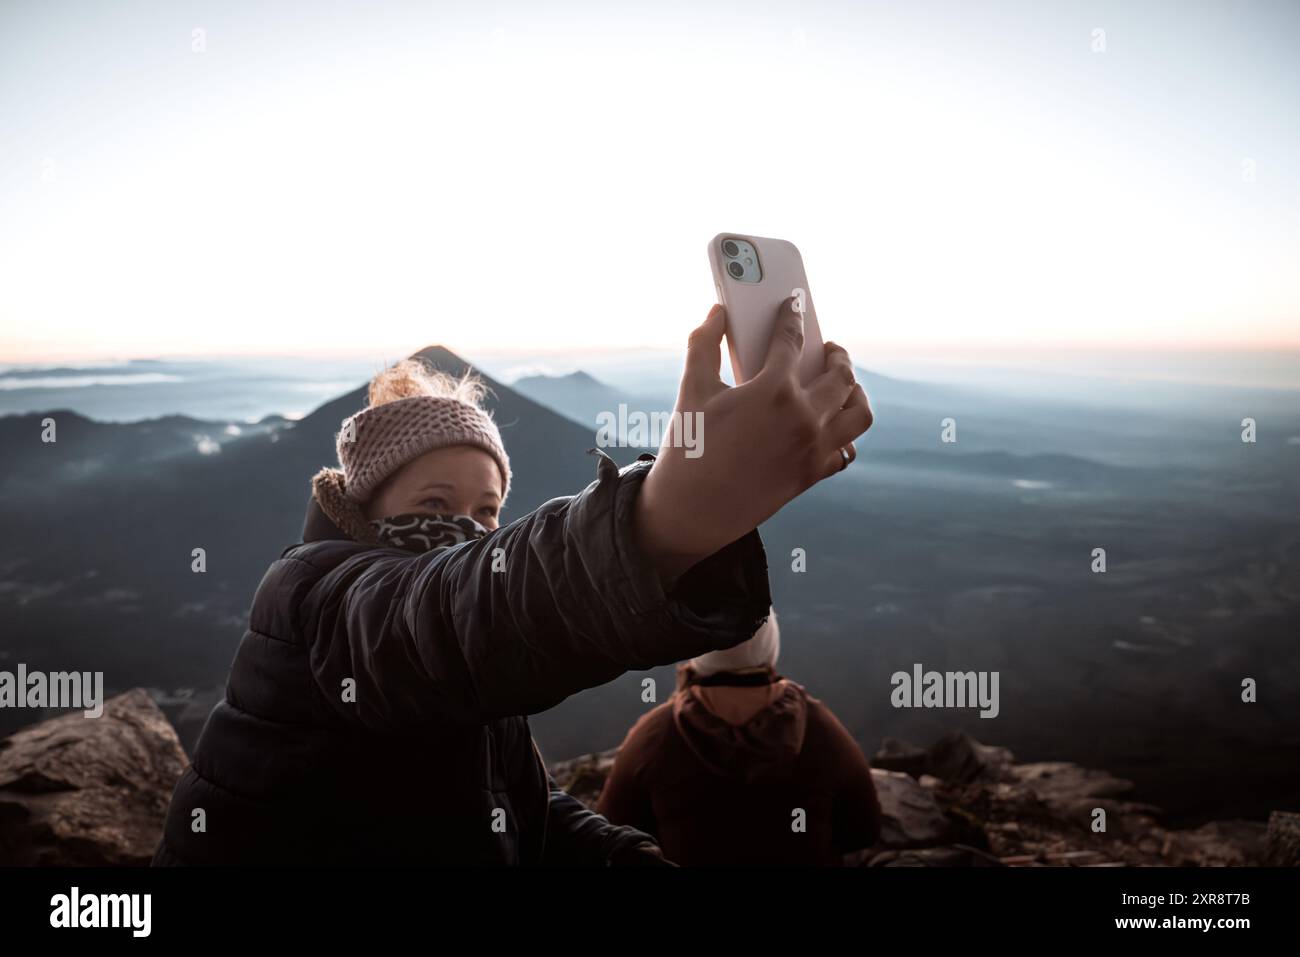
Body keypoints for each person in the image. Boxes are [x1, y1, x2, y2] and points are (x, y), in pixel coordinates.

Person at [151, 298, 873, 865]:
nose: (464, 526)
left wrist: (627, 856)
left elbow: (514, 809)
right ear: (366, 506)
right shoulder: (320, 598)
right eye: (434, 504)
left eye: (486, 510)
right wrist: (670, 514)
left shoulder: (469, 678)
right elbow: (451, 614)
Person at [597, 607, 884, 865]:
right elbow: (863, 831)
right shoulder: (820, 727)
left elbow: (612, 833)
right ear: (771, 647)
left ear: (698, 649)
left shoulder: (655, 735)